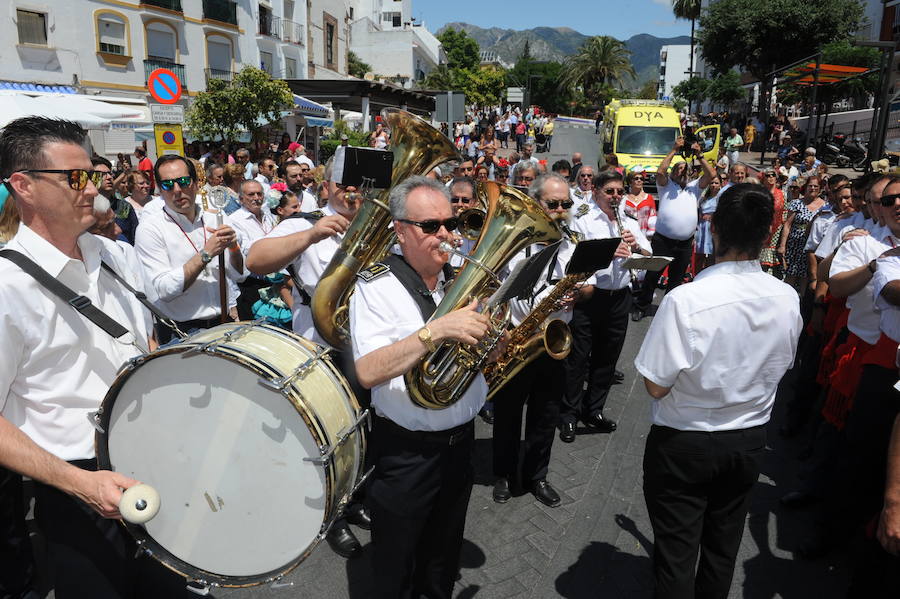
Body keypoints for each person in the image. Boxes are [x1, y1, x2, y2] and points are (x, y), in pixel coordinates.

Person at [0, 116, 191, 597]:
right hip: (78, 492)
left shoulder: (117, 257)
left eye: (95, 176)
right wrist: (82, 486)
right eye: (76, 178)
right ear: (23, 186)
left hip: (155, 461)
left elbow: (142, 346)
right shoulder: (5, 287)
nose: (94, 190)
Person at [635, 183, 803, 599]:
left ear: (713, 229)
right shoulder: (787, 297)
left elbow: (656, 385)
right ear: (767, 236)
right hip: (747, 441)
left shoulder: (686, 300)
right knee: (721, 549)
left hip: (685, 442)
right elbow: (783, 366)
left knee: (676, 555)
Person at [349, 176, 492, 598]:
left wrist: (493, 343)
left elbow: (475, 361)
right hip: (407, 454)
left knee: (442, 558)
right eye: (431, 226)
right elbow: (369, 371)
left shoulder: (459, 282)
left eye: (450, 223)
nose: (446, 234)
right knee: (396, 563)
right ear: (401, 230)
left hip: (460, 444)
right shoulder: (376, 286)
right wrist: (436, 331)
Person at [246, 161, 371, 557]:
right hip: (320, 346)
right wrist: (312, 234)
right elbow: (256, 260)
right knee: (330, 435)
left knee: (364, 430)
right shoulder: (304, 221)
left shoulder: (379, 224)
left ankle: (355, 499)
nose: (351, 193)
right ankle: (331, 515)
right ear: (327, 185)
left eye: (360, 185)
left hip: (367, 346)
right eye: (344, 184)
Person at [493, 173, 575, 507]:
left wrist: (578, 294)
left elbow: (588, 286)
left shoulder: (573, 243)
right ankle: (503, 473)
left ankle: (536, 476)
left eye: (565, 204)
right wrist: (502, 332)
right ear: (535, 202)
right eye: (552, 203)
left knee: (546, 415)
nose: (560, 209)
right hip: (516, 339)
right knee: (508, 414)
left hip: (554, 344)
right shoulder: (512, 242)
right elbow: (492, 292)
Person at [559, 170, 651, 443]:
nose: (616, 197)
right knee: (578, 359)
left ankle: (593, 410)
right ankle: (569, 415)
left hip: (620, 297)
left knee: (607, 359)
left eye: (619, 192)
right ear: (597, 192)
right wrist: (607, 252)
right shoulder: (584, 220)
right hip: (590, 297)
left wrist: (636, 249)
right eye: (610, 191)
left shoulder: (631, 223)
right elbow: (575, 260)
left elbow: (648, 257)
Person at [134, 155, 245, 344]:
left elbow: (239, 275)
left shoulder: (216, 218)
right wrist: (206, 254)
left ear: (195, 184)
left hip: (223, 323)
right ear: (160, 189)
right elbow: (164, 289)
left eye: (183, 182)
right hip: (182, 331)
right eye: (168, 185)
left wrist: (234, 247)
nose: (177, 190)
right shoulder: (150, 228)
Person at [632, 136, 716, 321]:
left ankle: (668, 311)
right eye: (677, 169)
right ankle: (642, 306)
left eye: (684, 169)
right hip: (664, 241)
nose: (681, 171)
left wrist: (699, 155)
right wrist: (673, 150)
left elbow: (711, 175)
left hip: (685, 243)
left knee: (676, 280)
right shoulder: (666, 185)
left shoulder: (694, 187)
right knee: (653, 276)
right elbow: (660, 171)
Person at [229, 179, 278, 320]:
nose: (256, 198)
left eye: (259, 194)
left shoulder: (269, 216)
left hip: (274, 283)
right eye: (251, 194)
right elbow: (246, 249)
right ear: (241, 198)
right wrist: (273, 241)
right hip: (252, 285)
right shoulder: (234, 220)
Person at [778, 175, 829, 293]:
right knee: (790, 275)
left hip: (812, 247)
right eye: (810, 185)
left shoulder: (824, 206)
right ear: (805, 187)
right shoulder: (796, 203)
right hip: (795, 245)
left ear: (820, 188)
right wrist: (782, 245)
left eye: (816, 186)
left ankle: (802, 304)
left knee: (807, 277)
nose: (812, 188)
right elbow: (787, 225)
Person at [695, 175, 722, 273]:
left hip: (714, 229)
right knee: (699, 256)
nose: (714, 185)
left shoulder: (721, 198)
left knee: (712, 256)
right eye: (712, 183)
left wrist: (712, 217)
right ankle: (696, 276)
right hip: (702, 229)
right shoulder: (703, 198)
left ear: (720, 185)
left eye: (716, 183)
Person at [623, 170, 656, 239]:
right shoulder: (624, 199)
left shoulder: (649, 198)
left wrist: (651, 233)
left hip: (644, 236)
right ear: (630, 181)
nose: (639, 180)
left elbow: (652, 217)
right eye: (636, 178)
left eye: (641, 179)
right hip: (628, 235)